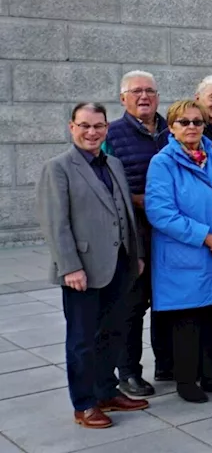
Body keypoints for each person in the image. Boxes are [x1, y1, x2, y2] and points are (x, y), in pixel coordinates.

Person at [39, 102, 150, 428]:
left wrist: (137, 254)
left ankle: (106, 391)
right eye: (85, 126)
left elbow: (126, 215)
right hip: (82, 271)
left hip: (118, 265)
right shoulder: (58, 168)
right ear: (72, 127)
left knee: (113, 332)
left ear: (106, 128)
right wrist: (69, 266)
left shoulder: (113, 163)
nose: (92, 132)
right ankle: (84, 403)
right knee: (82, 340)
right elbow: (55, 223)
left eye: (98, 126)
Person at [144, 99, 212, 403]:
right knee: (186, 319)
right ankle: (186, 381)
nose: (191, 127)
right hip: (185, 253)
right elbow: (160, 212)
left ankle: (211, 375)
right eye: (184, 122)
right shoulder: (162, 162)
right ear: (171, 127)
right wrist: (207, 237)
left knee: (210, 314)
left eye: (197, 122)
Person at [104, 70, 170, 397]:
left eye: (150, 91)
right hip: (134, 232)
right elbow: (101, 185)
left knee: (167, 299)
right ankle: (128, 371)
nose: (143, 97)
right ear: (123, 98)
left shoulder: (171, 131)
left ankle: (167, 362)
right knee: (133, 304)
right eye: (136, 91)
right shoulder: (111, 135)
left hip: (169, 231)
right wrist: (135, 199)